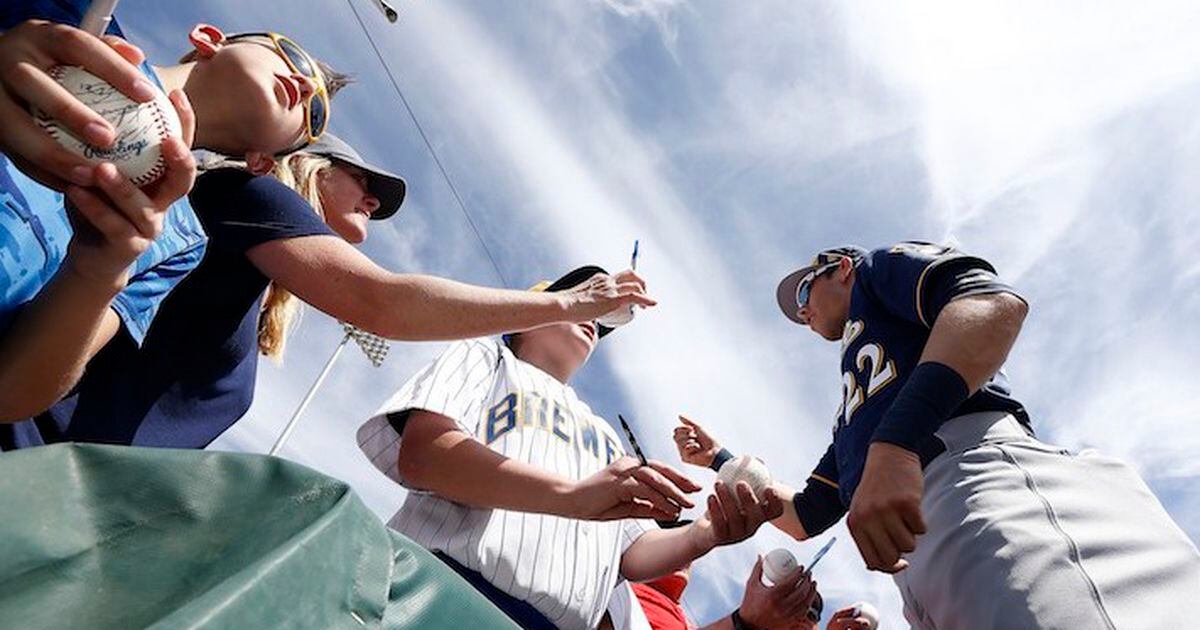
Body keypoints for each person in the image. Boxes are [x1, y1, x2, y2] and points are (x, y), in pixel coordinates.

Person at [676, 242, 1200, 629]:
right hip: (920, 571)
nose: (802, 312)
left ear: (839, 268)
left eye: (805, 293)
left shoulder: (876, 270)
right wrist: (719, 460)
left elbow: (990, 303)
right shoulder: (850, 416)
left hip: (976, 481)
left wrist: (898, 440)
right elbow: (807, 516)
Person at [10, 137, 657, 449]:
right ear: (310, 163)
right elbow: (383, 303)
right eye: (362, 181)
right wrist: (571, 303)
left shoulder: (251, 277)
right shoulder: (249, 194)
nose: (373, 201)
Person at [356, 265, 784, 629]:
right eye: (583, 298)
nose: (594, 321)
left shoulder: (604, 434)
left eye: (601, 321)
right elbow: (426, 455)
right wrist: (572, 497)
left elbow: (631, 555)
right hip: (443, 595)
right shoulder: (486, 358)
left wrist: (706, 533)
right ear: (530, 309)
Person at [0, 2, 349, 421]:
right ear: (208, 38)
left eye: (314, 116)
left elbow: (12, 394)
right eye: (290, 55)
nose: (305, 86)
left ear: (263, 161)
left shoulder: (176, 239)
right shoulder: (71, 28)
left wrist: (96, 270)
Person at [629, 548, 822, 630]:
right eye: (668, 533)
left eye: (812, 613)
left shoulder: (683, 622)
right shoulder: (617, 592)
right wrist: (745, 622)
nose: (682, 554)